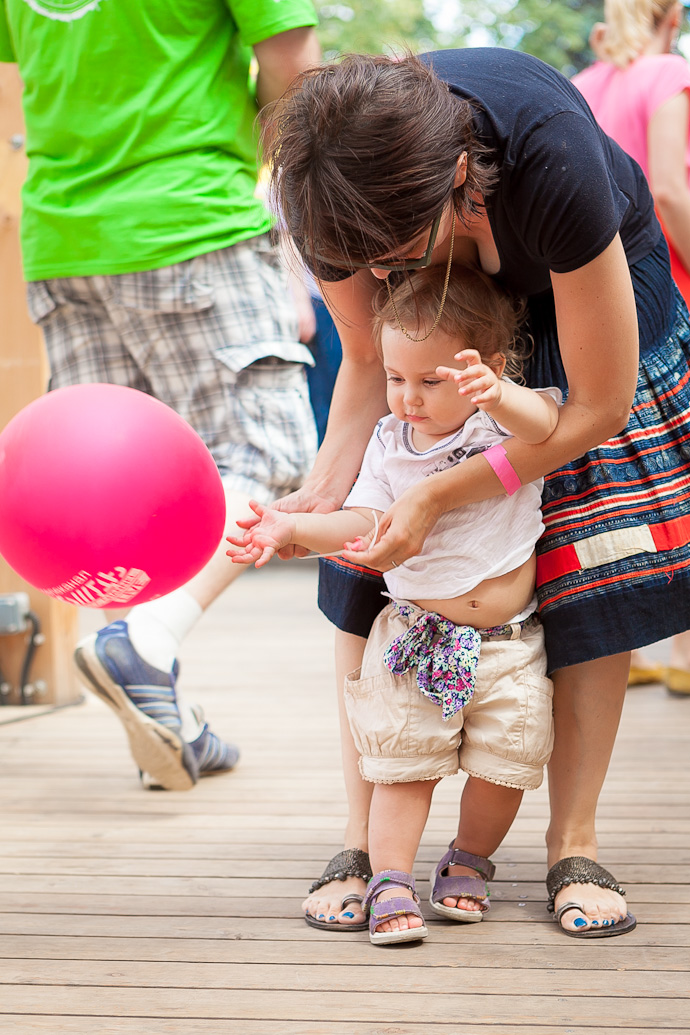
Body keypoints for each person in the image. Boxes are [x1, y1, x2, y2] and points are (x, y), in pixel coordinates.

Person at [262, 48, 690, 937]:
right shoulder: (330, 195)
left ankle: (574, 839)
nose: (377, 275)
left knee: (586, 567)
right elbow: (369, 362)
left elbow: (597, 407)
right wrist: (326, 494)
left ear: (459, 182)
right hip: (435, 336)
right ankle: (363, 840)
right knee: (355, 577)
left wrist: (441, 495)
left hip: (580, 328)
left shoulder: (550, 159)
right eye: (359, 262)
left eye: (391, 256)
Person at [0, 0, 321, 789]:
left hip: (62, 238)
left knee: (113, 498)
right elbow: (298, 72)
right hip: (190, 219)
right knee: (276, 456)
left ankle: (162, 715)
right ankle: (148, 640)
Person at [230, 265, 577, 944]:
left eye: (431, 380)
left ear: (485, 370)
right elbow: (364, 520)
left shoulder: (501, 427)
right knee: (403, 766)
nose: (408, 399)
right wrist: (294, 529)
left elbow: (548, 425)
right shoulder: (390, 445)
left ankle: (470, 858)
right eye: (396, 378)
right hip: (418, 639)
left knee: (505, 766)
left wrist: (497, 393)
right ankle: (391, 877)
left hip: (508, 644)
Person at [573, 0, 690, 697]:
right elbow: (671, 192)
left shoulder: (584, 84)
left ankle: (639, 646)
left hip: (601, 306)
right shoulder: (668, 72)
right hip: (667, 293)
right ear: (671, 19)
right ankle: (682, 648)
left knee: (628, 477)